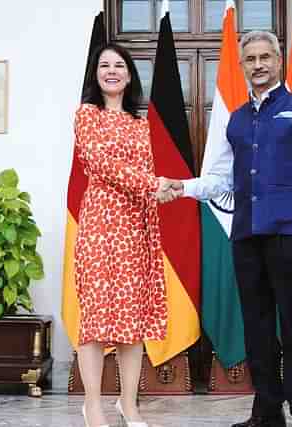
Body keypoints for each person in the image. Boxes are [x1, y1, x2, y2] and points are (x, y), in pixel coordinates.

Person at [163, 30, 292, 427]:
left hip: (291, 233)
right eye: (250, 59)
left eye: (265, 57)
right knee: (257, 327)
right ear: (242, 66)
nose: (258, 65)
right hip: (247, 236)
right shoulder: (236, 120)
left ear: (278, 61)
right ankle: (267, 412)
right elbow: (219, 179)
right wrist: (182, 187)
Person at [73, 42, 174, 427]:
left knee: (132, 320)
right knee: (97, 317)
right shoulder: (87, 116)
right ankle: (93, 405)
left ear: (130, 75)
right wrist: (153, 184)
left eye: (119, 65)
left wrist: (156, 199)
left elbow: (145, 181)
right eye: (104, 65)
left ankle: (128, 404)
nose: (112, 71)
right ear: (96, 75)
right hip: (100, 225)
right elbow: (101, 165)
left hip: (135, 226)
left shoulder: (139, 124)